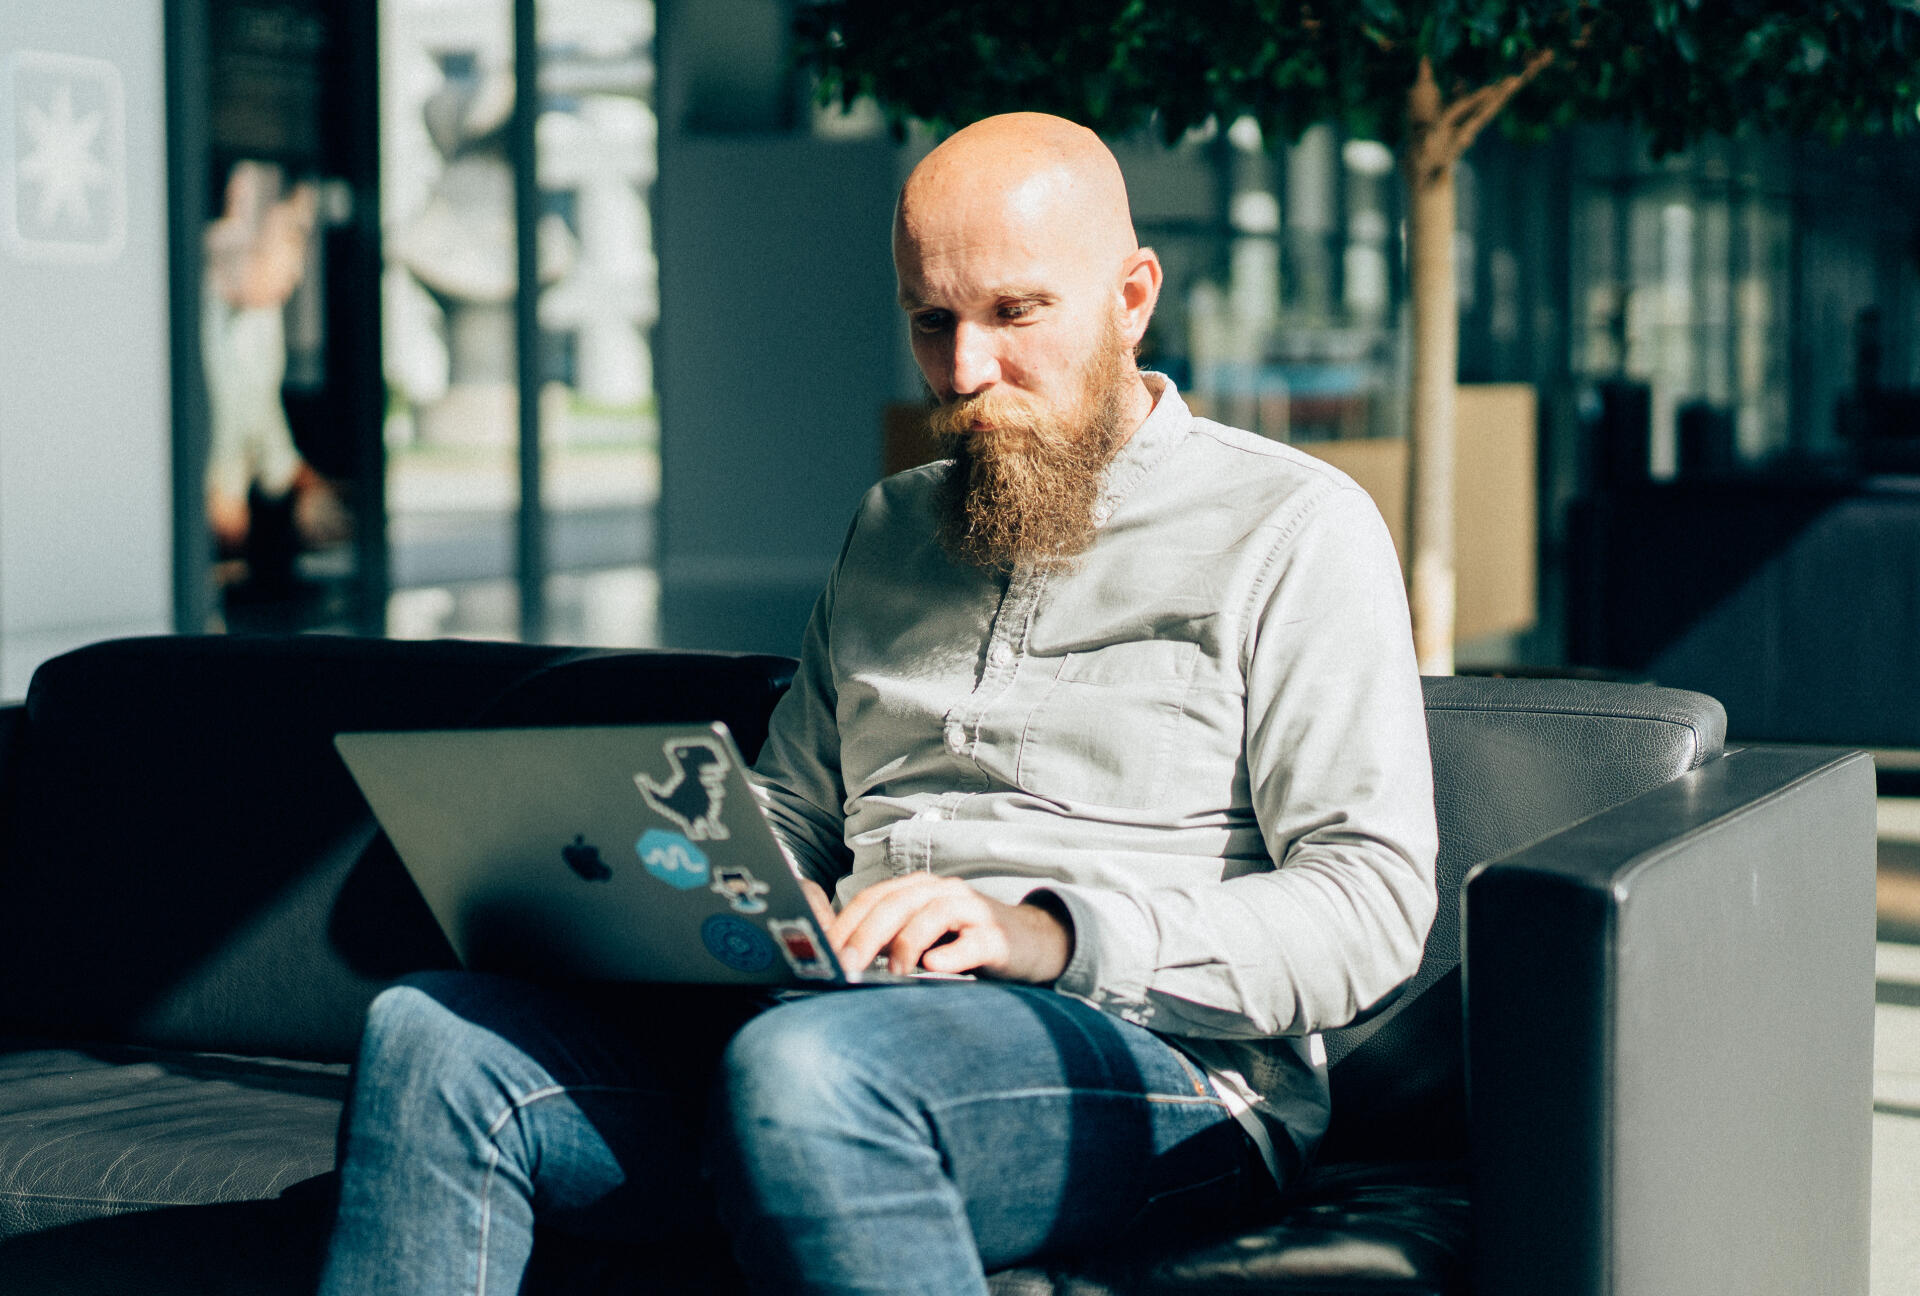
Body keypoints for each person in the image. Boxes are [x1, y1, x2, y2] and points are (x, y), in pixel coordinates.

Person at [318, 112, 1436, 1295]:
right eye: (931, 321)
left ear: (1132, 295)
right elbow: (795, 806)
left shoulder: (1291, 529)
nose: (963, 374)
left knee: (814, 1073)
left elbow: (1369, 901)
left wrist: (1049, 935)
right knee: (432, 1039)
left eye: (1015, 314)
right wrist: (727, 881)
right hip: (833, 1024)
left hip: (1163, 1069)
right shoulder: (891, 528)